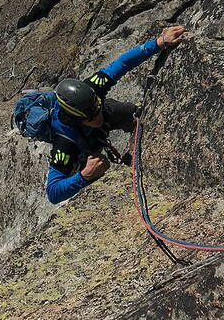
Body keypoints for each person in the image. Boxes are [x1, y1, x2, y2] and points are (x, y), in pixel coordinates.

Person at [44, 26, 186, 204]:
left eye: (97, 108)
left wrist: (159, 42)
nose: (98, 117)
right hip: (84, 146)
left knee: (134, 114)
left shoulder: (92, 88)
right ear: (76, 119)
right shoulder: (65, 142)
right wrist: (84, 176)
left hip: (100, 117)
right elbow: (53, 193)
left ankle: (137, 131)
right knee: (96, 173)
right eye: (91, 116)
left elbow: (123, 63)